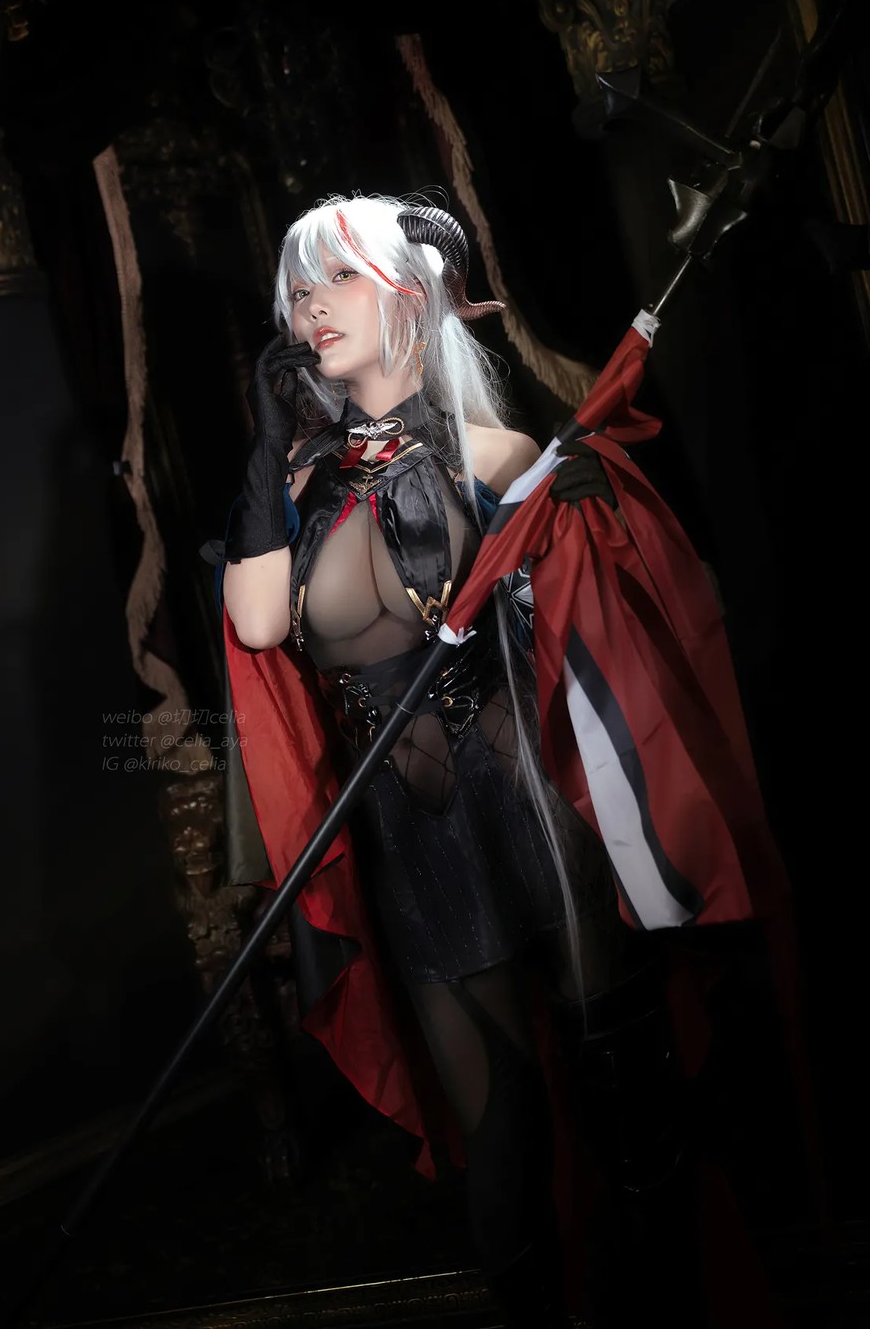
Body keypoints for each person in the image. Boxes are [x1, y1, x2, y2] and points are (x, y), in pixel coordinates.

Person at [214, 193, 712, 1326]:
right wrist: (266, 444)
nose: (310, 307)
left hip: (536, 805)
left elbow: (586, 633)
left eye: (337, 279)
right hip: (414, 841)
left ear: (409, 294)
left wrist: (592, 521)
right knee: (501, 1135)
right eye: (298, 290)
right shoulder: (294, 490)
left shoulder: (497, 456)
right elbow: (255, 623)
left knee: (624, 1098)